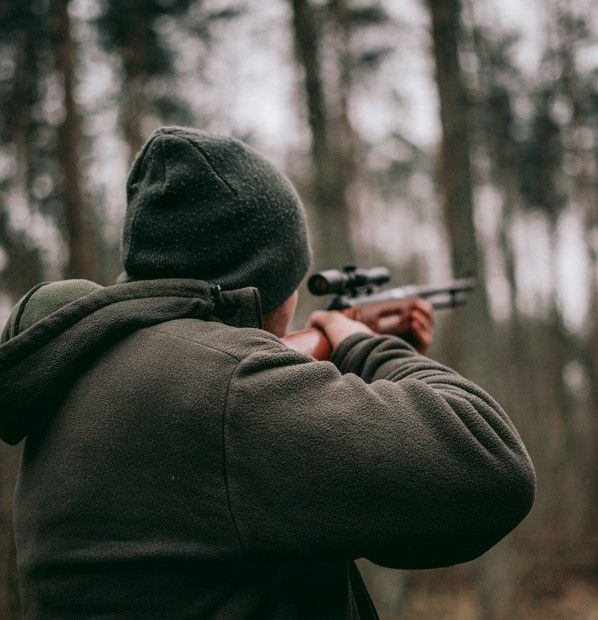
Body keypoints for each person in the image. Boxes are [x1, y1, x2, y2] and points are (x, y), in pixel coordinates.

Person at [0, 126, 535, 620]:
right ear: (267, 286)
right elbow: (490, 466)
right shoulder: (226, 387)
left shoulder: (86, 370)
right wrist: (364, 347)